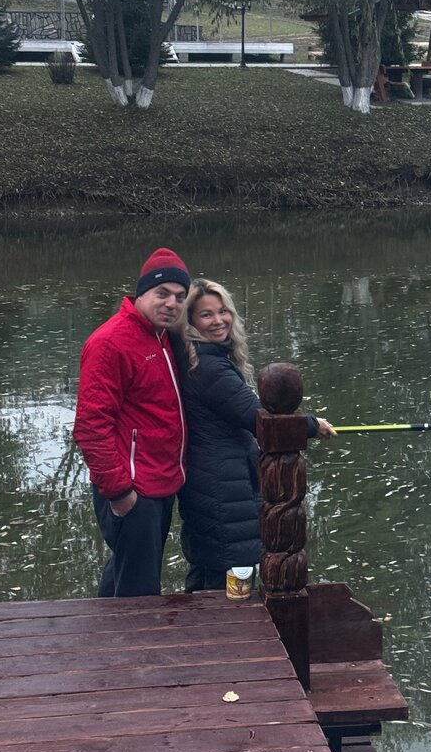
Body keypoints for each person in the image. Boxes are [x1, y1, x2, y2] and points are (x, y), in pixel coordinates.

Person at [176, 278, 335, 593]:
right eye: (206, 315)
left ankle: (200, 620)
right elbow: (259, 419)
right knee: (235, 567)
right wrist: (311, 425)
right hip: (224, 487)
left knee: (209, 566)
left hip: (209, 481)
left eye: (223, 311)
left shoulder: (199, 359)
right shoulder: (210, 370)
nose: (219, 320)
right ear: (190, 322)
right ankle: (231, 623)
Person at [73, 248, 191, 597]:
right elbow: (91, 427)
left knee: (128, 572)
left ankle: (105, 626)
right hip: (133, 488)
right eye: (162, 293)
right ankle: (135, 636)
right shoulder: (110, 343)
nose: (171, 303)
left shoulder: (162, 335)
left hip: (160, 482)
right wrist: (120, 493)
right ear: (141, 293)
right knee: (140, 592)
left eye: (180, 297)